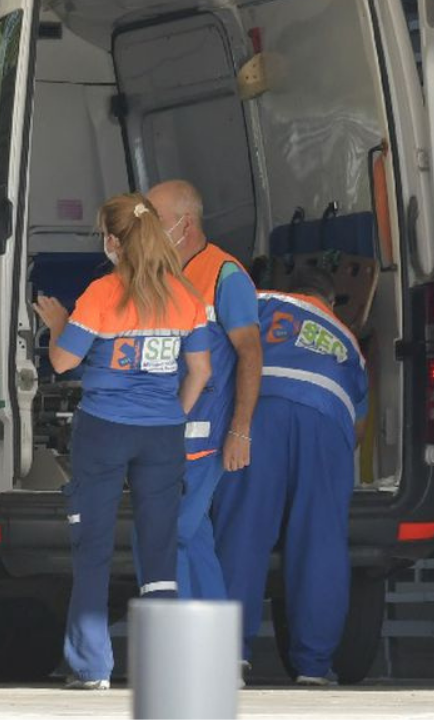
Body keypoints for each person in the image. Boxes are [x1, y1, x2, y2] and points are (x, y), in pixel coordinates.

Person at [34, 193, 213, 690]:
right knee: (158, 551)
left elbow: (64, 362)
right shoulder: (185, 296)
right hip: (162, 437)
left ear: (113, 242)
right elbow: (200, 370)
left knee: (92, 547)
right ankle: (164, 669)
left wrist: (57, 326)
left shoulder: (102, 294)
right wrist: (170, 416)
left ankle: (92, 668)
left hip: (104, 431)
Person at [212, 270, 369, 686]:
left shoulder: (258, 298)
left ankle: (228, 659)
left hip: (257, 408)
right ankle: (313, 668)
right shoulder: (346, 337)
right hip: (327, 419)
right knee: (320, 540)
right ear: (328, 301)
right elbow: (357, 429)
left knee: (241, 531)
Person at [147, 180, 262, 601]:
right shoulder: (163, 275)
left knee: (164, 533)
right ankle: (217, 657)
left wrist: (241, 430)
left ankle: (177, 654)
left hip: (204, 435)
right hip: (169, 431)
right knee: (193, 541)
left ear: (185, 222)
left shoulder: (225, 276)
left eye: (154, 219)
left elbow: (250, 353)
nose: (146, 228)